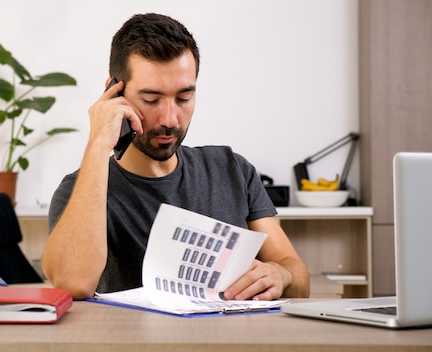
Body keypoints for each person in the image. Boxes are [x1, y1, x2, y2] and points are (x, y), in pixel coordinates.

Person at [41, 13, 309, 301]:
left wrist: (282, 274)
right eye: (151, 100)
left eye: (183, 98)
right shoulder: (78, 192)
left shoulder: (232, 170)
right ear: (114, 92)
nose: (170, 119)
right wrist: (97, 143)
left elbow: (298, 279)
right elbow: (72, 284)